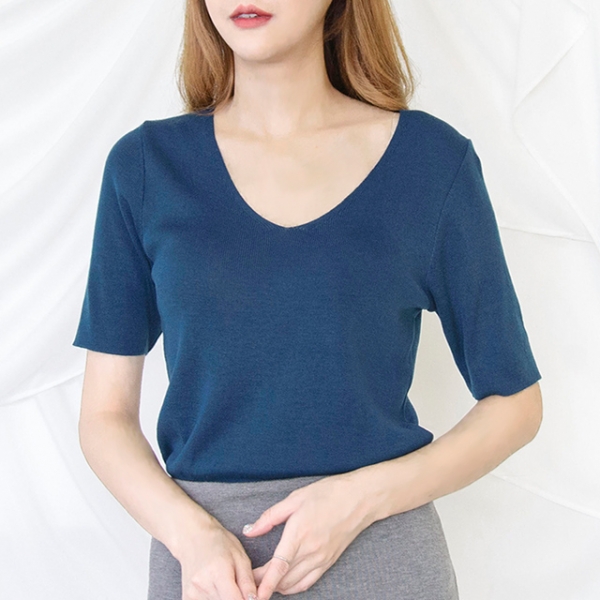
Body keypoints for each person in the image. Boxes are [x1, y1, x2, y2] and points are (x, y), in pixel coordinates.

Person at [72, 1, 543, 599]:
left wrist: (359, 500)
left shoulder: (430, 163)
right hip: (206, 573)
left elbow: (516, 404)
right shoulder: (145, 168)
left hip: (381, 559)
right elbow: (104, 418)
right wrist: (193, 538)